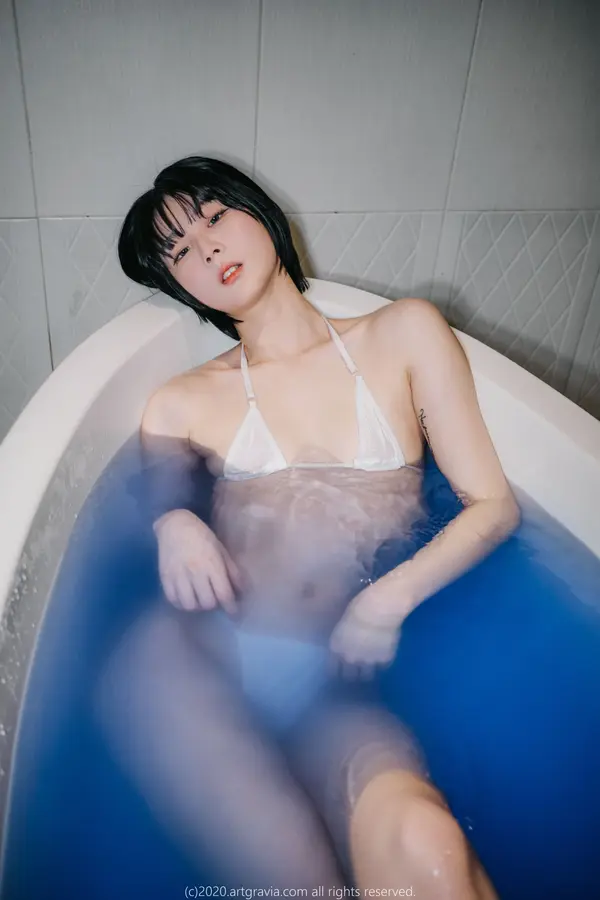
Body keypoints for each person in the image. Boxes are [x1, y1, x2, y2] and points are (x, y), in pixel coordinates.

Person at [97, 156, 519, 897]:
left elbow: (491, 505)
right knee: (299, 883)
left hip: (335, 677)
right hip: (196, 659)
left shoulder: (403, 334)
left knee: (429, 849)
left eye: (214, 216)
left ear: (262, 212)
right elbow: (160, 494)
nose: (207, 248)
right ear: (177, 283)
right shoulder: (181, 401)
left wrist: (385, 600)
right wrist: (175, 522)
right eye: (181, 251)